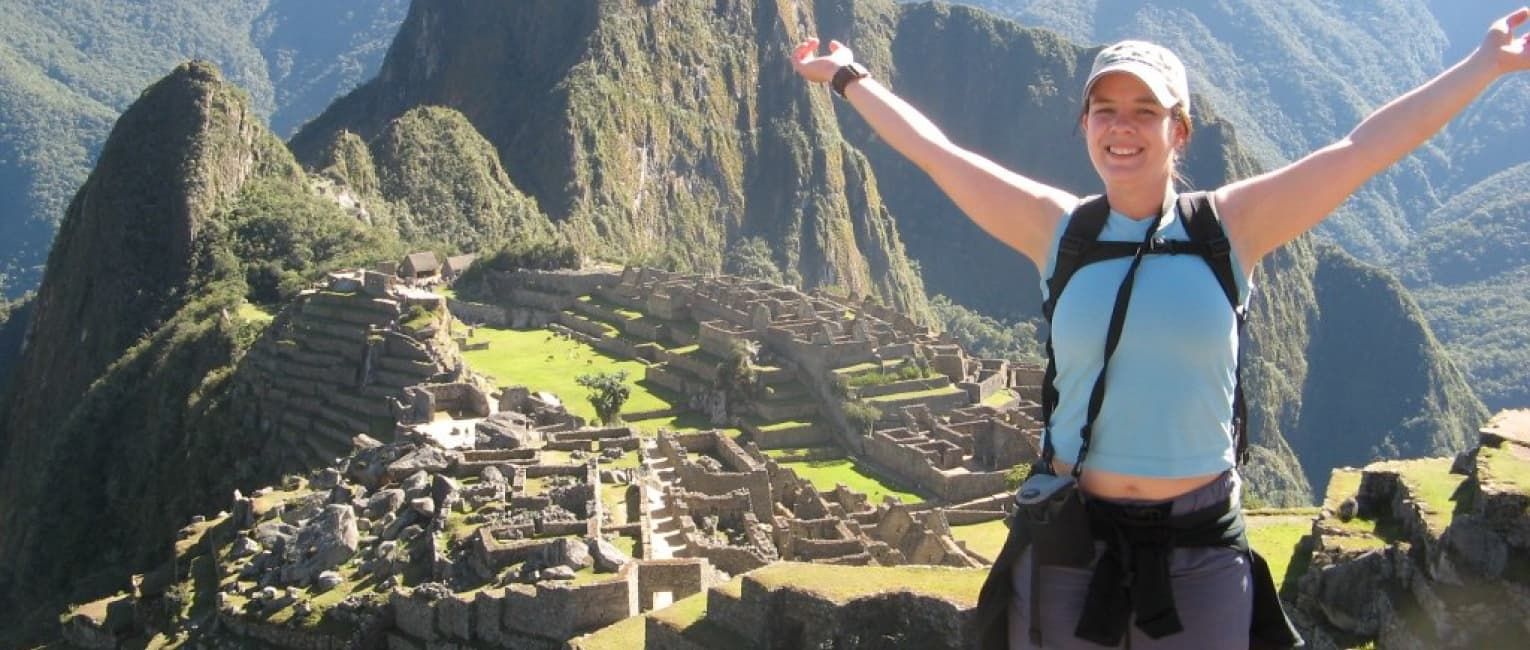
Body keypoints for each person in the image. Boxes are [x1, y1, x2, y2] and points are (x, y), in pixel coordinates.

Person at [790, 8, 1530, 649]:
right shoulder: (1058, 230)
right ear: (1083, 123)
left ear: (1180, 130)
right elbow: (939, 156)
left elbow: (1363, 150)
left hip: (1200, 550)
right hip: (1070, 542)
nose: (1123, 127)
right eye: (1106, 109)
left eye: (1146, 111)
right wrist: (852, 78)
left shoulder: (1230, 229)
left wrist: (1483, 63)